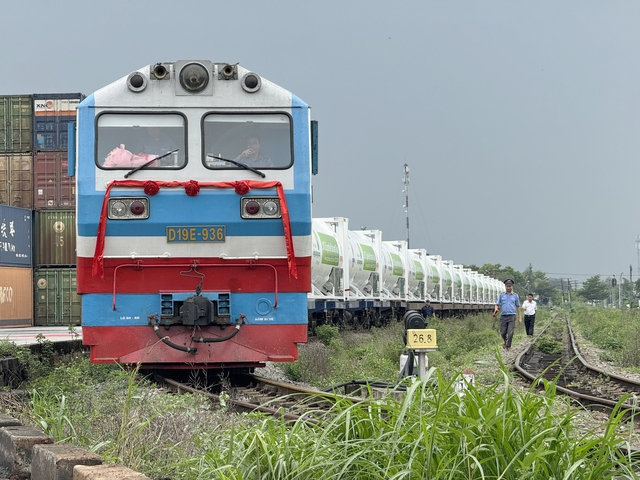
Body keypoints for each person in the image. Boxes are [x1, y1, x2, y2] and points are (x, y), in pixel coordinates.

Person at [493, 278, 521, 351]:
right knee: (502, 332)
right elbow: (497, 304)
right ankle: (505, 341)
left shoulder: (515, 296)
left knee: (510, 332)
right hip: (503, 316)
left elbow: (518, 307)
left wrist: (519, 318)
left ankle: (508, 346)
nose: (509, 288)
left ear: (512, 287)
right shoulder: (501, 295)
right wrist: (496, 309)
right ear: (505, 286)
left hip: (512, 316)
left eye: (510, 286)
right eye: (507, 286)